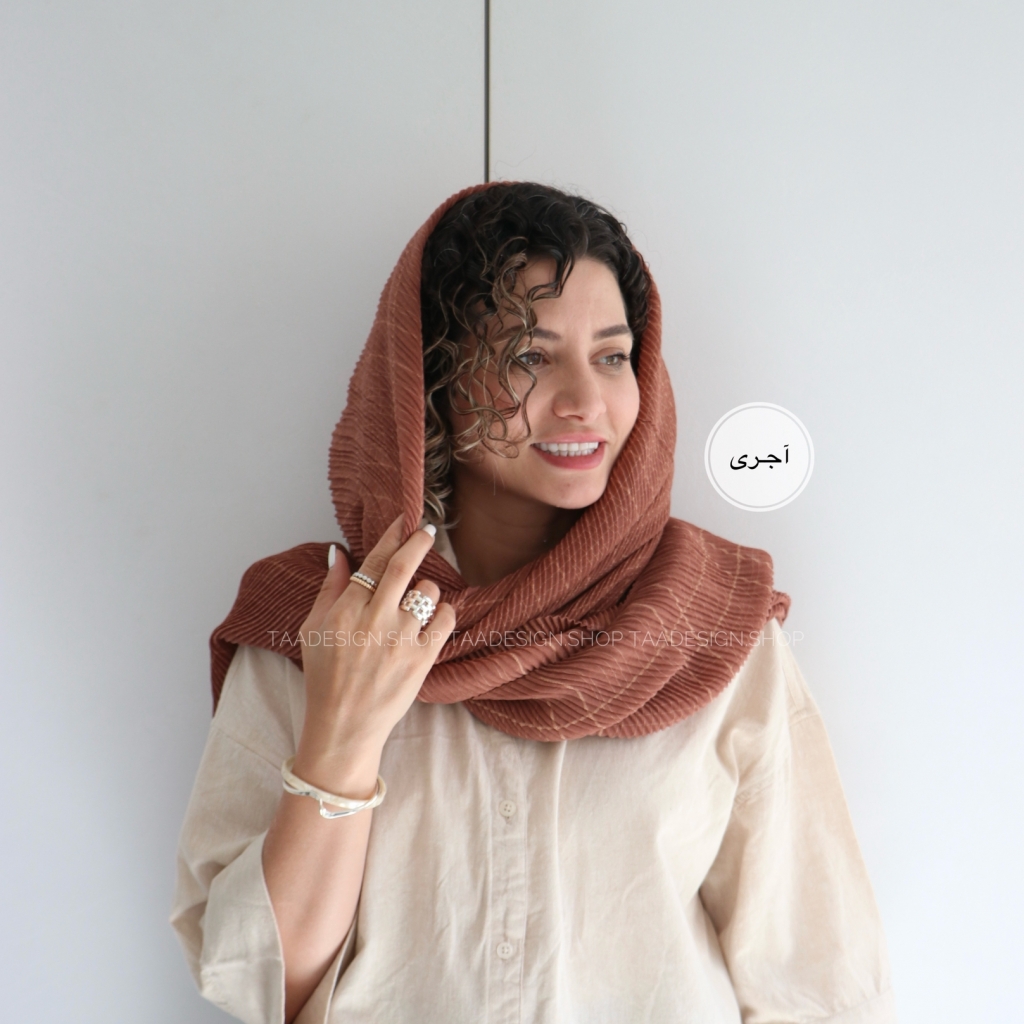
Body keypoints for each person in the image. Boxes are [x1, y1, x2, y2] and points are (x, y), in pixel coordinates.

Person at [171, 182, 897, 1024]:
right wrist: (344, 733)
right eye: (529, 356)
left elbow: (821, 985)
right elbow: (256, 982)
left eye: (613, 357)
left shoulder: (710, 628)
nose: (586, 400)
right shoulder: (320, 625)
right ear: (433, 379)